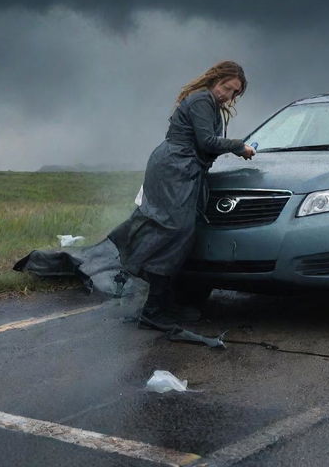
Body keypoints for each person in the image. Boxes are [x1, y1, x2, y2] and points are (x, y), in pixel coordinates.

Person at [108, 61, 256, 331]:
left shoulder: (209, 103)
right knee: (173, 232)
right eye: (226, 87)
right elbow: (206, 142)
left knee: (176, 232)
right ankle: (153, 310)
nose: (228, 96)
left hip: (181, 166)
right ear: (215, 80)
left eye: (234, 93)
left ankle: (164, 303)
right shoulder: (202, 100)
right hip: (175, 167)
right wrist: (238, 146)